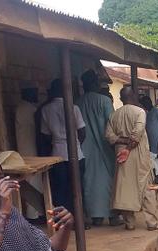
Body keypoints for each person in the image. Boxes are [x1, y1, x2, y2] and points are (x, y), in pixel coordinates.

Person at [107, 86, 158, 231]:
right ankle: (151, 222)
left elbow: (109, 136)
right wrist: (129, 147)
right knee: (147, 187)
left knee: (125, 188)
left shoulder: (114, 115)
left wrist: (123, 144)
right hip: (137, 153)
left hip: (121, 155)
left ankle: (129, 223)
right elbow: (137, 133)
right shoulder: (140, 112)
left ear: (121, 99)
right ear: (134, 96)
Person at [39, 78, 86, 218]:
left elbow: (45, 135)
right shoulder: (74, 107)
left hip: (57, 154)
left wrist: (57, 140)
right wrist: (76, 144)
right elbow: (82, 132)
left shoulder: (45, 110)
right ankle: (79, 219)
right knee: (77, 189)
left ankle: (62, 220)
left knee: (60, 190)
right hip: (76, 153)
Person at [77, 70, 117, 226]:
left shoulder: (77, 102)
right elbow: (113, 123)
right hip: (105, 147)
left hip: (85, 149)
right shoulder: (105, 101)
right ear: (94, 83)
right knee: (108, 181)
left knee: (89, 182)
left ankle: (96, 216)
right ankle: (112, 214)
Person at [14, 85, 45, 221]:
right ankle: (34, 215)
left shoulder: (20, 108)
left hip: (25, 148)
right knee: (33, 181)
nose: (37, 96)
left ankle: (35, 213)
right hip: (30, 149)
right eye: (35, 93)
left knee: (32, 180)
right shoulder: (30, 109)